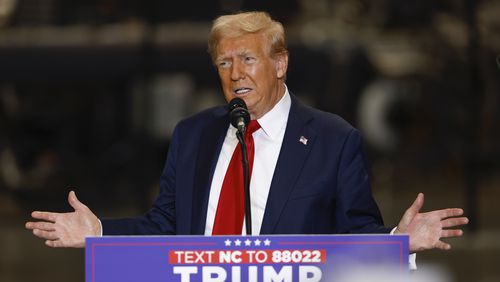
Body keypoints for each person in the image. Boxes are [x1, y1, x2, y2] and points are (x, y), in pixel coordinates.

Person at [26, 12, 468, 257]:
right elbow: (166, 226)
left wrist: (398, 241)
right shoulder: (193, 134)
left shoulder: (334, 140)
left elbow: (353, 234)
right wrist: (100, 233)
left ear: (280, 64)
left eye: (247, 60)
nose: (235, 73)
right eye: (223, 63)